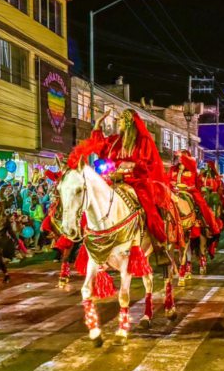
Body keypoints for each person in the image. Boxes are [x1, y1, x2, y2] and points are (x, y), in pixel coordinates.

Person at [71, 108, 181, 258]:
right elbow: (99, 147)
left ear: (129, 122)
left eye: (122, 120)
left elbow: (148, 163)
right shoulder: (115, 140)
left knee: (150, 208)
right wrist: (97, 125)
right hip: (113, 179)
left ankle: (159, 244)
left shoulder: (143, 141)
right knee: (94, 202)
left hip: (136, 181)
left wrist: (133, 165)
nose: (119, 122)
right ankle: (88, 238)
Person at [168, 150, 219, 235]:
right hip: (174, 191)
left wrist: (182, 155)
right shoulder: (173, 169)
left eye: (184, 156)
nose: (181, 158)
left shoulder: (192, 166)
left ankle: (209, 226)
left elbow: (191, 162)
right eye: (180, 157)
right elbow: (168, 179)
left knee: (203, 205)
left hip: (190, 191)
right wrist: (171, 182)